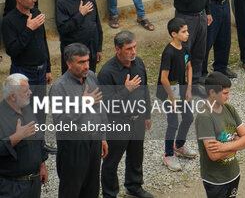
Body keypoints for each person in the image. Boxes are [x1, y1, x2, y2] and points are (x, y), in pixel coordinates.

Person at [98, 30, 153, 198]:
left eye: (135, 47)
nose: (133, 52)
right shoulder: (107, 72)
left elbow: (145, 90)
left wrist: (147, 114)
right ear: (118, 49)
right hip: (118, 123)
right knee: (111, 162)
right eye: (129, 48)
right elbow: (105, 105)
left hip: (137, 121)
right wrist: (126, 89)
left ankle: (134, 186)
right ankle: (110, 193)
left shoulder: (139, 63)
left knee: (136, 156)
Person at [49, 43, 108, 198]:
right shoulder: (59, 88)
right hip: (72, 147)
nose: (86, 66)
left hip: (94, 143)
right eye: (81, 62)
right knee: (72, 191)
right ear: (68, 63)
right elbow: (61, 122)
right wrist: (83, 103)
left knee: (92, 189)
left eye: (88, 61)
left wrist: (102, 137)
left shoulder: (92, 77)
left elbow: (100, 109)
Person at [1, 0, 52, 132]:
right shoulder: (9, 21)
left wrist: (48, 68)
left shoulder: (36, 13)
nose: (34, 0)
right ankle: (27, 147)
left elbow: (43, 42)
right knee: (23, 111)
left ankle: (41, 146)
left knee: (40, 110)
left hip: (41, 71)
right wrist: (28, 29)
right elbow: (12, 50)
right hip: (23, 73)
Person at [196, 71, 245, 198]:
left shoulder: (229, 109)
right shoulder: (205, 117)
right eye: (225, 93)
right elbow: (214, 155)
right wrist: (238, 144)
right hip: (216, 180)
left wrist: (224, 146)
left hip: (233, 174)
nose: (228, 97)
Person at [156, 18, 197, 172]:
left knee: (188, 117)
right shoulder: (168, 52)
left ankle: (179, 145)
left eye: (187, 30)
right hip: (168, 92)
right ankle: (168, 154)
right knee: (173, 123)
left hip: (181, 89)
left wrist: (188, 88)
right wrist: (172, 99)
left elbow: (189, 67)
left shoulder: (185, 48)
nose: (187, 34)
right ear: (174, 34)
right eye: (184, 31)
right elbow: (163, 78)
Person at [0, 73, 48, 197]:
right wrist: (16, 137)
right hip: (12, 187)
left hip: (34, 183)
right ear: (13, 96)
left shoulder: (26, 108)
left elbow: (39, 139)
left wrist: (42, 164)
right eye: (26, 90)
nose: (31, 92)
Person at [55, 0, 103, 74]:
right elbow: (63, 29)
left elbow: (97, 25)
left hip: (91, 52)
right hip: (74, 56)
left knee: (89, 83)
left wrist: (98, 48)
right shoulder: (62, 2)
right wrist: (80, 14)